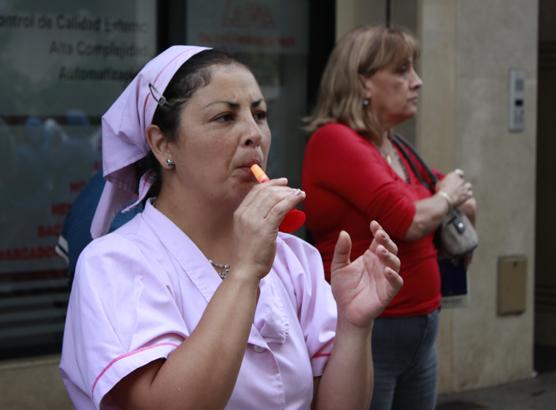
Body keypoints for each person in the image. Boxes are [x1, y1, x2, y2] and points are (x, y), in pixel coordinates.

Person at [60, 45, 404, 410]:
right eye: (225, 117)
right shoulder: (114, 263)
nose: (253, 133)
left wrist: (354, 324)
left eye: (260, 114)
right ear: (162, 145)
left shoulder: (292, 257)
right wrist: (244, 272)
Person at [301, 26, 477, 410]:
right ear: (363, 84)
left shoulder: (392, 145)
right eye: (402, 71)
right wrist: (447, 196)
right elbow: (407, 220)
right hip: (373, 330)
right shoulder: (335, 139)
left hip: (422, 326)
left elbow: (433, 203)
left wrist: (446, 199)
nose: (417, 82)